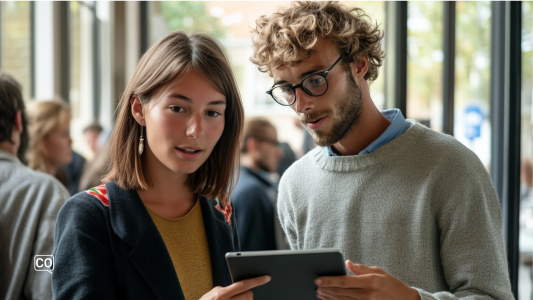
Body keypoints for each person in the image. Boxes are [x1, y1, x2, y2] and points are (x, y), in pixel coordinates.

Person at [250, 2, 513, 299]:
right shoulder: (294, 184)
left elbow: (492, 295)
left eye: (314, 80)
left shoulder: (451, 165)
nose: (300, 105)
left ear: (359, 64)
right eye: (287, 88)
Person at [52, 31, 270, 300]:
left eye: (213, 112)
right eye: (178, 108)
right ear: (139, 109)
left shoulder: (219, 208)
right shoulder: (89, 216)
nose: (196, 130)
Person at [0, 71, 69, 300]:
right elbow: (46, 285)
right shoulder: (45, 194)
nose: (72, 141)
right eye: (64, 134)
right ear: (18, 121)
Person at [232, 118, 286, 251]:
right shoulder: (252, 192)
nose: (280, 153)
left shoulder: (234, 181)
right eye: (274, 143)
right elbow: (253, 259)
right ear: (253, 145)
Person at [26, 99, 74, 190]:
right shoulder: (31, 187)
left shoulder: (62, 177)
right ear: (41, 140)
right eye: (64, 134)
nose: (71, 141)